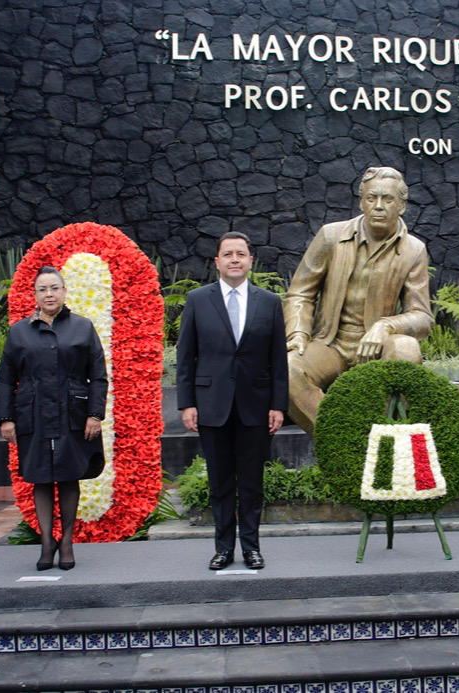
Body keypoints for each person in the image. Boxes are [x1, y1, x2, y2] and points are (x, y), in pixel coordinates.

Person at [283, 166, 433, 433]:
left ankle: (382, 437)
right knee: (287, 369)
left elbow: (421, 317)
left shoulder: (414, 250)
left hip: (377, 346)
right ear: (361, 201)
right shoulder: (331, 236)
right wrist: (297, 333)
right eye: (371, 198)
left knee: (405, 348)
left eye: (388, 199)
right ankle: (339, 439)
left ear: (402, 206)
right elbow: (301, 293)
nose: (378, 206)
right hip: (330, 343)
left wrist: (386, 326)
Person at [176, 232, 288, 570]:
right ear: (217, 262)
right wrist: (187, 403)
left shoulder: (269, 302)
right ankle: (223, 548)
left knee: (252, 482)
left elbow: (278, 359)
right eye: (228, 254)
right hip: (212, 405)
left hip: (256, 406)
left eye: (241, 253)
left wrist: (278, 404)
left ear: (251, 261)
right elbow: (186, 356)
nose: (235, 259)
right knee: (220, 481)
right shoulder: (198, 300)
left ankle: (251, 547)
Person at [0, 266, 107, 571]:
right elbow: (5, 379)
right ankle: (47, 542)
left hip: (73, 414)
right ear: (35, 295)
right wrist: (6, 418)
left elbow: (98, 375)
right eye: (42, 289)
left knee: (69, 476)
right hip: (33, 415)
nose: (49, 294)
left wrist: (94, 414)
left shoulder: (82, 327)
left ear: (64, 292)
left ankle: (66, 541)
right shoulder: (19, 332)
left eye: (54, 288)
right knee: (40, 477)